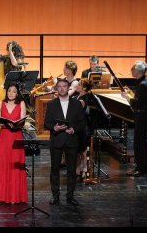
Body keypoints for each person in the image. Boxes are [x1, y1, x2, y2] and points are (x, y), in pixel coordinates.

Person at [44, 78, 86, 206]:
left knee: (72, 170)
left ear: (68, 88)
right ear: (57, 88)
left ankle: (70, 196)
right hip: (57, 140)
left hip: (71, 140)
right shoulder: (51, 104)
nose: (62, 88)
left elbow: (82, 122)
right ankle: (55, 196)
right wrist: (54, 128)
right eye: (60, 86)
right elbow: (47, 123)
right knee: (54, 169)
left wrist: (74, 129)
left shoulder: (77, 104)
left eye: (64, 86)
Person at [0, 83, 28, 204]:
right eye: (9, 91)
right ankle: (0, 196)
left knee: (14, 165)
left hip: (16, 137)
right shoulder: (1, 103)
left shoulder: (21, 104)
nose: (11, 93)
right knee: (3, 164)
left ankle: (14, 196)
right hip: (4, 137)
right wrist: (5, 123)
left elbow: (22, 121)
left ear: (17, 93)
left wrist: (15, 125)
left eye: (14, 91)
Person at [122, 61, 147, 177]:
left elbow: (138, 103)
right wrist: (130, 94)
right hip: (143, 115)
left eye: (133, 69)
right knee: (143, 142)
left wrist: (127, 98)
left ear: (138, 71)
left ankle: (140, 168)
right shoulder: (143, 82)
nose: (131, 70)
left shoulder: (142, 84)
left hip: (142, 116)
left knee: (139, 143)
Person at [73, 79, 93, 181]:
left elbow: (77, 111)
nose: (77, 86)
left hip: (82, 127)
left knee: (83, 150)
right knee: (77, 149)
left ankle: (84, 169)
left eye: (79, 84)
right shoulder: (78, 97)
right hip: (76, 126)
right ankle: (77, 170)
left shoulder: (83, 99)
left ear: (84, 88)